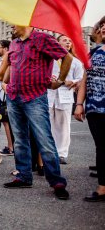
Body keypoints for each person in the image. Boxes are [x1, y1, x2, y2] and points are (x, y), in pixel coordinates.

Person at [2, 26, 72, 200]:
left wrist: (60, 81)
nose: (11, 26)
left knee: (44, 140)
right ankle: (24, 176)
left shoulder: (43, 38)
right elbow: (11, 65)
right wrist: (5, 83)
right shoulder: (14, 43)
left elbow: (67, 57)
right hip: (14, 96)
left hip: (34, 97)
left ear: (24, 21)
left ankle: (57, 181)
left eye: (13, 22)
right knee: (19, 140)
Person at [75, 16, 105, 202]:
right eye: (102, 26)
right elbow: (85, 81)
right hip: (95, 107)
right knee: (101, 147)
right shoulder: (93, 53)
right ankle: (102, 188)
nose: (103, 29)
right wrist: (79, 104)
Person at [48, 35, 83, 164]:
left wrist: (72, 81)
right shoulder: (51, 59)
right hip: (50, 94)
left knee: (64, 126)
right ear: (57, 43)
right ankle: (50, 152)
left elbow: (80, 79)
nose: (68, 42)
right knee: (48, 125)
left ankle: (61, 153)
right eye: (64, 40)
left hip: (65, 95)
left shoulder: (75, 61)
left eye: (69, 41)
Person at [0, 40, 14, 156]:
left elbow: (2, 76)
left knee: (7, 122)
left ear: (6, 49)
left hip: (6, 94)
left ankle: (11, 147)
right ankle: (11, 146)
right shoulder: (2, 60)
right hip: (1, 94)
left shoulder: (7, 59)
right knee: (6, 122)